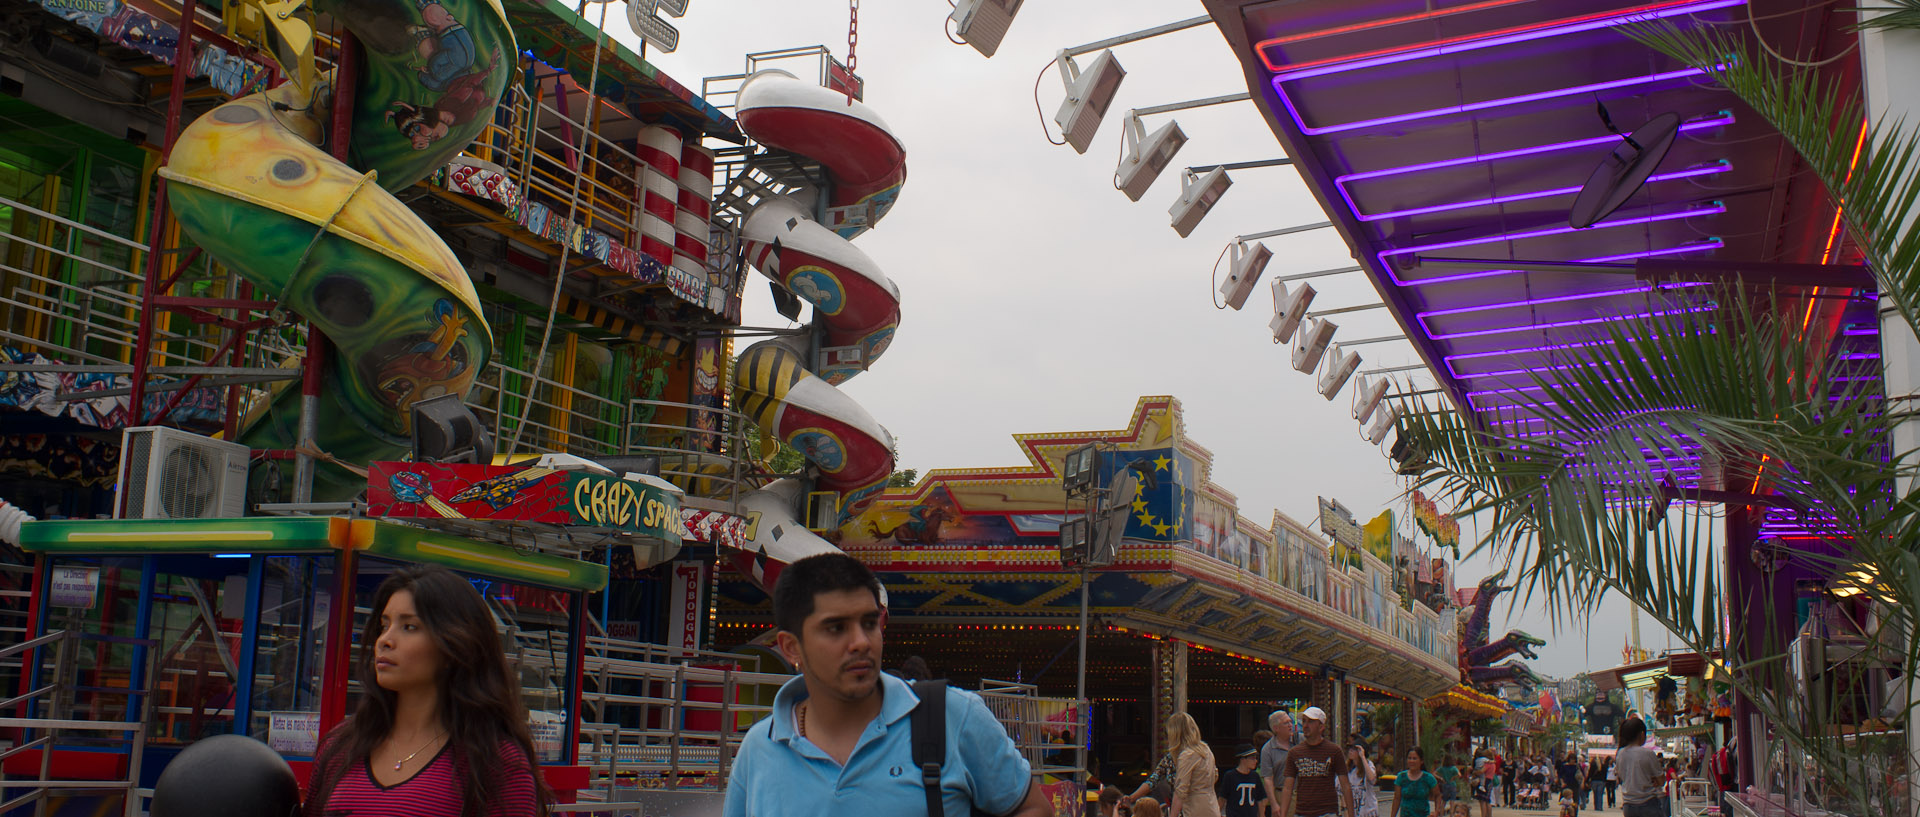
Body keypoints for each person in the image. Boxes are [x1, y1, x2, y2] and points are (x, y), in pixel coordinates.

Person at [721, 554, 1051, 817]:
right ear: (791, 647)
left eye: (868, 623)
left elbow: (1033, 807)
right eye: (836, 628)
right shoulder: (758, 749)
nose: (861, 642)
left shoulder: (953, 717)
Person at [301, 565, 546, 817]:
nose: (385, 639)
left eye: (409, 627)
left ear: (454, 645)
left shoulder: (495, 763)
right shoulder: (340, 746)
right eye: (384, 625)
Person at [1277, 706, 1352, 817]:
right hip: (1302, 812)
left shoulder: (1334, 751)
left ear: (1321, 726)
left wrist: (1351, 814)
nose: (1306, 725)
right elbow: (1288, 787)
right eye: (1304, 721)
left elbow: (1345, 785)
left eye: (1311, 722)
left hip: (1327, 812)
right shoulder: (1295, 752)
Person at [1164, 712, 1220, 817]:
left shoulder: (1187, 755)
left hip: (1194, 809)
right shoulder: (1206, 750)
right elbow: (1215, 775)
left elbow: (1180, 791)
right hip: (1212, 805)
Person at [1615, 717, 1665, 817]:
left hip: (1628, 806)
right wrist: (1652, 779)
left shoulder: (1620, 753)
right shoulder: (1647, 753)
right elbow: (1661, 781)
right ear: (1642, 734)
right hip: (1648, 804)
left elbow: (1622, 776)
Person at [1258, 710, 1297, 812]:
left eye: (1290, 722)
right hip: (1282, 794)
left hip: (1304, 793)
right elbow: (1268, 779)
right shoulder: (1268, 749)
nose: (1290, 725)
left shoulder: (1300, 741)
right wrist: (1274, 804)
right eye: (1286, 723)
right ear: (1276, 728)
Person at [1218, 744, 1267, 817]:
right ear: (1243, 759)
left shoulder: (1255, 776)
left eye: (1256, 758)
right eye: (1252, 758)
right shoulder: (1230, 776)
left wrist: (1261, 815)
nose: (1255, 761)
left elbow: (1260, 799)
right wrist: (1217, 813)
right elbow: (1222, 798)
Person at [1390, 748, 1440, 817]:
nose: (1411, 761)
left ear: (1421, 761)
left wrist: (1436, 811)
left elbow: (1438, 795)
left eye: (1414, 758)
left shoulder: (1428, 778)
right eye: (1409, 758)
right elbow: (1397, 798)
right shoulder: (1401, 777)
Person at [1345, 744, 1380, 817]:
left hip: (1369, 811)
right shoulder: (1348, 768)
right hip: (1354, 811)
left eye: (1354, 749)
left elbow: (1372, 778)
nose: (1350, 751)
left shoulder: (1369, 764)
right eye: (1350, 749)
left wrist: (1363, 757)